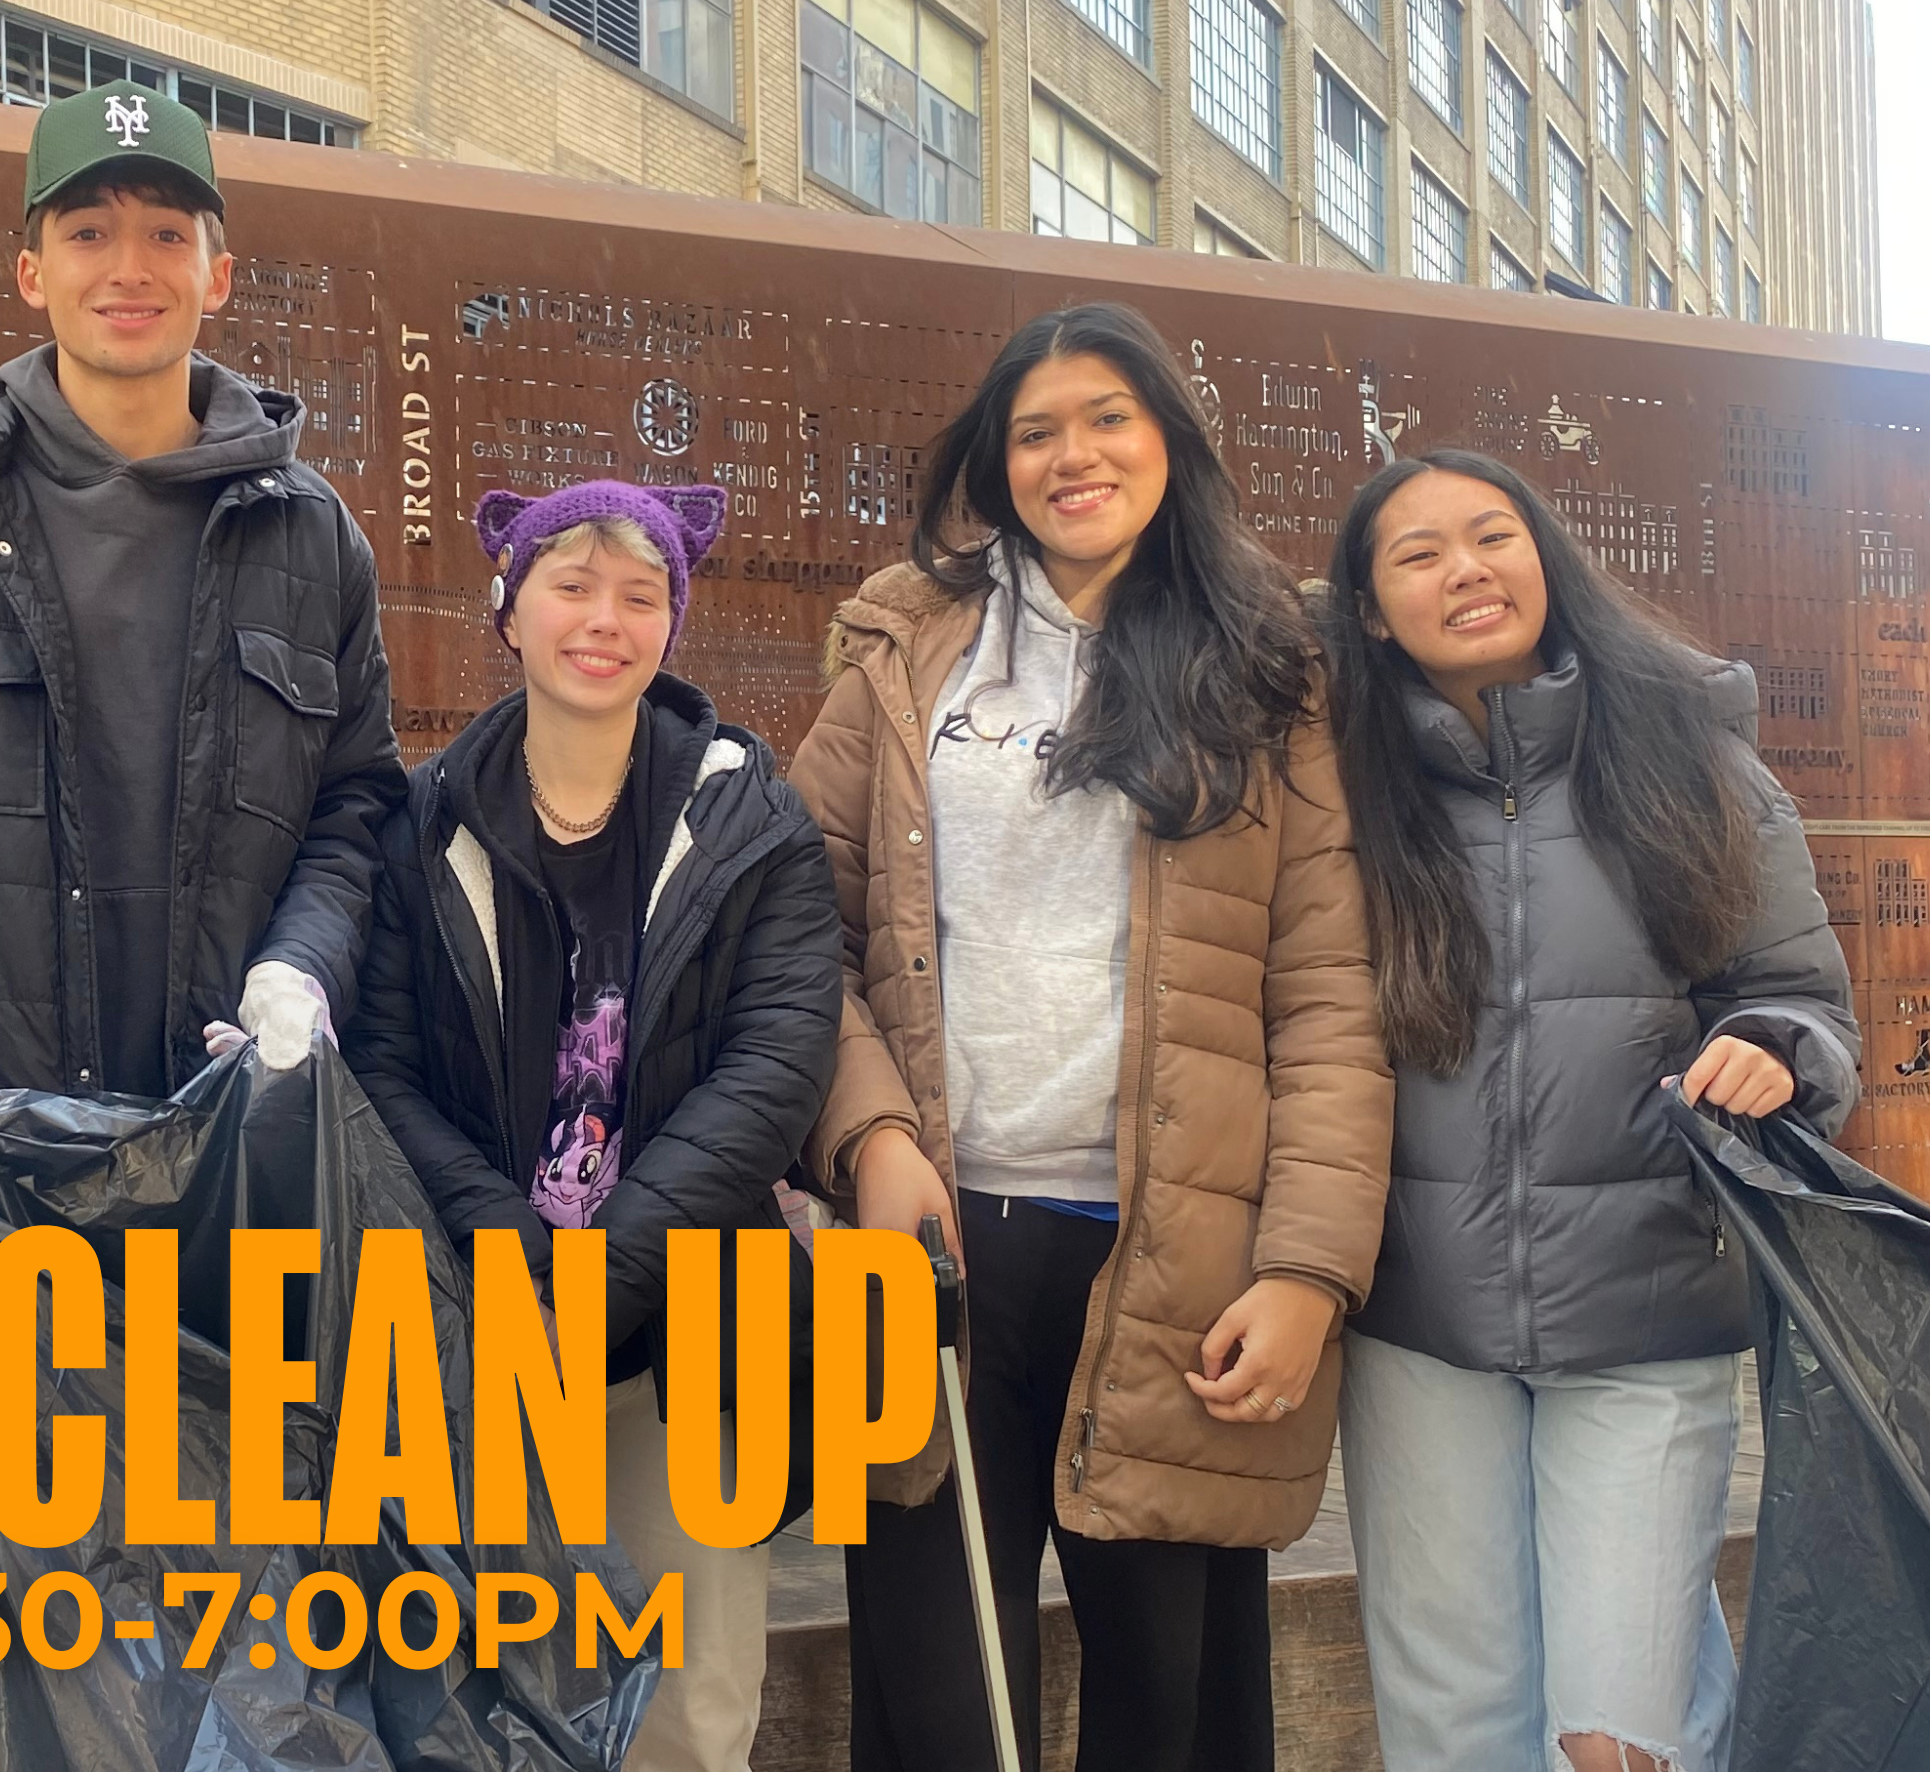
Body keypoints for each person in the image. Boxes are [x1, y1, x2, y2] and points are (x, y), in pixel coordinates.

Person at [789, 299, 1392, 1769]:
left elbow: (1328, 993)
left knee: (1175, 1713)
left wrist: (1309, 1268)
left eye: (1109, 420)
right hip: (937, 1244)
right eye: (1036, 430)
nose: (1075, 456)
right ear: (995, 466)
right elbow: (796, 928)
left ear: (1169, 444)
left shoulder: (1272, 669)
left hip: (1175, 1257)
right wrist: (867, 1138)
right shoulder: (903, 649)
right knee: (938, 1705)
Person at [1313, 450, 1858, 1772]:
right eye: (1421, 554)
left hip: (1646, 1301)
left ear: (1545, 559)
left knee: (1624, 1733)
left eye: (1493, 535)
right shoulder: (1335, 786)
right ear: (1375, 611)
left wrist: (1774, 1051)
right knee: (1454, 1724)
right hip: (1417, 1317)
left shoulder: (1693, 761)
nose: (1466, 569)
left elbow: (1800, 998)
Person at [0, 79, 403, 1154]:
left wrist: (299, 967)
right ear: (31, 272)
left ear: (220, 274)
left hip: (228, 1148)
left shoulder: (312, 535)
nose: (129, 267)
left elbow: (356, 809)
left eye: (166, 231)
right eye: (88, 231)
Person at [345, 479, 841, 1772]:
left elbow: (779, 1057)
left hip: (687, 1329)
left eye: (641, 593)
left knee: (689, 1698)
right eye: (571, 586)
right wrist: (503, 1243)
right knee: (477, 1683)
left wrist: (610, 1261)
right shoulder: (422, 821)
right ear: (508, 608)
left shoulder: (750, 818)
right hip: (471, 1315)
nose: (603, 620)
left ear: (674, 620)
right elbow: (382, 1064)